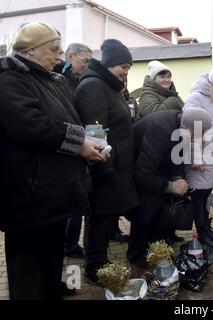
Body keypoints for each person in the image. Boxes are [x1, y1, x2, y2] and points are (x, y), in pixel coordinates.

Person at [0, 22, 104, 299]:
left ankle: (51, 287)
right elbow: (30, 125)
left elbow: (66, 120)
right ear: (31, 50)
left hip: (52, 192)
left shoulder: (47, 78)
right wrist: (79, 144)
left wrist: (87, 142)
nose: (59, 56)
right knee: (28, 267)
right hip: (29, 195)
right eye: (53, 50)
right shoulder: (10, 78)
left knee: (51, 254)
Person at [75, 39, 138, 283]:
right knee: (98, 218)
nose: (125, 72)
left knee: (106, 217)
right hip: (104, 166)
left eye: (129, 68)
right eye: (123, 66)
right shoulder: (94, 87)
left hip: (116, 166)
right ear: (109, 64)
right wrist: (104, 169)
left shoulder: (110, 86)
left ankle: (100, 261)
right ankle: (94, 268)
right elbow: (94, 130)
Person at [127, 108, 212, 276]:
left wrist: (179, 177)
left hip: (157, 170)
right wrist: (169, 186)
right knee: (145, 213)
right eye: (195, 135)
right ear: (184, 125)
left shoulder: (184, 130)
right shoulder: (160, 128)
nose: (196, 140)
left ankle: (158, 254)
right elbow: (142, 172)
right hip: (137, 170)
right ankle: (137, 261)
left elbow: (177, 161)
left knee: (161, 213)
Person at [183, 59, 213, 249]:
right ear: (212, 82)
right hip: (201, 157)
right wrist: (195, 158)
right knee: (198, 196)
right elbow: (189, 129)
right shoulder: (196, 97)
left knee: (206, 196)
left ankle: (207, 229)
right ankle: (202, 232)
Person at [137, 60, 184, 244]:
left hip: (170, 149)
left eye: (168, 76)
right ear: (153, 78)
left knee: (170, 197)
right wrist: (172, 101)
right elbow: (153, 117)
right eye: (162, 76)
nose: (166, 79)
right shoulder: (148, 94)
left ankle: (168, 232)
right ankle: (154, 238)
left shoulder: (174, 94)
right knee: (155, 196)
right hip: (153, 150)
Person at [53, 43, 93, 259]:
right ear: (70, 56)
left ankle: (70, 243)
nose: (86, 65)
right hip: (67, 148)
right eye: (84, 60)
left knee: (79, 198)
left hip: (79, 146)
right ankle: (66, 245)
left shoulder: (78, 80)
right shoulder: (59, 80)